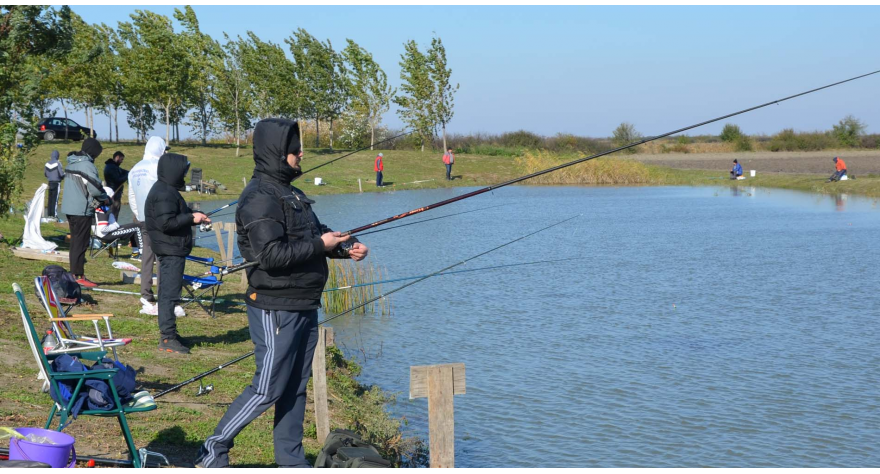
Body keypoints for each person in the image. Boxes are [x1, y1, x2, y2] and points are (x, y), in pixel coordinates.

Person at [195, 118, 369, 468]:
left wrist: (342, 248)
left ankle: (291, 462)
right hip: (275, 306)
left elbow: (312, 237)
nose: (300, 154)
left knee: (295, 388)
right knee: (268, 387)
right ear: (277, 153)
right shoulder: (259, 197)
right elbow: (271, 257)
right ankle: (212, 451)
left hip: (304, 303)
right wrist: (321, 243)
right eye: (293, 150)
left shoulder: (293, 194)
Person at [144, 153, 209, 354]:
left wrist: (193, 215)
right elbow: (167, 223)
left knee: (168, 292)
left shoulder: (166, 190)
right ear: (174, 170)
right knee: (169, 295)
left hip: (171, 248)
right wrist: (191, 218)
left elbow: (172, 213)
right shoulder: (163, 192)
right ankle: (167, 337)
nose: (185, 174)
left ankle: (169, 333)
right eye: (182, 171)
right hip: (170, 249)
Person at [60, 138, 109, 288]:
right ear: (93, 152)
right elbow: (94, 188)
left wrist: (96, 203)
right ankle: (78, 276)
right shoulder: (87, 165)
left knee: (75, 242)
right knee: (81, 244)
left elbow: (81, 189)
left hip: (70, 208)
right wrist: (105, 199)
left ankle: (73, 274)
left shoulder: (72, 162)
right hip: (81, 210)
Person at [129, 137, 165, 313]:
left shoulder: (135, 168)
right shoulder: (157, 166)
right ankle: (164, 293)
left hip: (143, 218)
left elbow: (131, 196)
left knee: (147, 256)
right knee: (163, 257)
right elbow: (165, 190)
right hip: (158, 218)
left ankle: (145, 293)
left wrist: (139, 214)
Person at [103, 151, 128, 221]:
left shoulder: (114, 166)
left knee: (114, 214)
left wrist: (130, 172)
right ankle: (113, 229)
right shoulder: (111, 167)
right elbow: (118, 180)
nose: (122, 161)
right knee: (113, 215)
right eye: (121, 159)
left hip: (114, 194)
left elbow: (125, 172)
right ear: (117, 157)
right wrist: (127, 176)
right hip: (113, 195)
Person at [44, 150, 64, 219]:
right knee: (55, 199)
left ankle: (49, 214)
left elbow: (45, 174)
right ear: (57, 156)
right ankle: (54, 215)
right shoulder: (58, 163)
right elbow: (61, 174)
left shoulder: (47, 164)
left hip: (50, 183)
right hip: (56, 183)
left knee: (50, 199)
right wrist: (64, 176)